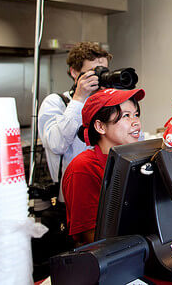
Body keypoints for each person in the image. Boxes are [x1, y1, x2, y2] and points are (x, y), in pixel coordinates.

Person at [62, 88, 144, 246]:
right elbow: (93, 238)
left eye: (136, 114)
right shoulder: (83, 168)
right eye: (126, 116)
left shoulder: (135, 159)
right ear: (100, 126)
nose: (136, 122)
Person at [38, 42, 112, 191]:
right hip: (70, 193)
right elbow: (57, 145)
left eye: (104, 71)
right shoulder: (56, 102)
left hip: (102, 190)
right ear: (74, 72)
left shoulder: (105, 104)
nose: (100, 77)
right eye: (93, 72)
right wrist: (79, 99)